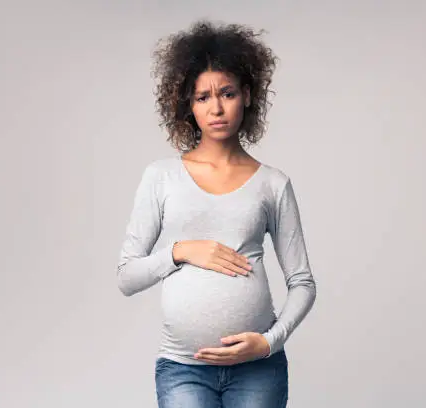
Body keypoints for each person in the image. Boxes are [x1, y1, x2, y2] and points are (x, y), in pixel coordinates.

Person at [116, 20, 316, 408]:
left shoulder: (273, 183)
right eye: (202, 97)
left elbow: (303, 282)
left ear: (247, 95)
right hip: (183, 368)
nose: (217, 108)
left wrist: (269, 342)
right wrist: (181, 251)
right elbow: (126, 277)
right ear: (187, 106)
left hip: (259, 368)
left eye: (226, 93)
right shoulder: (161, 177)